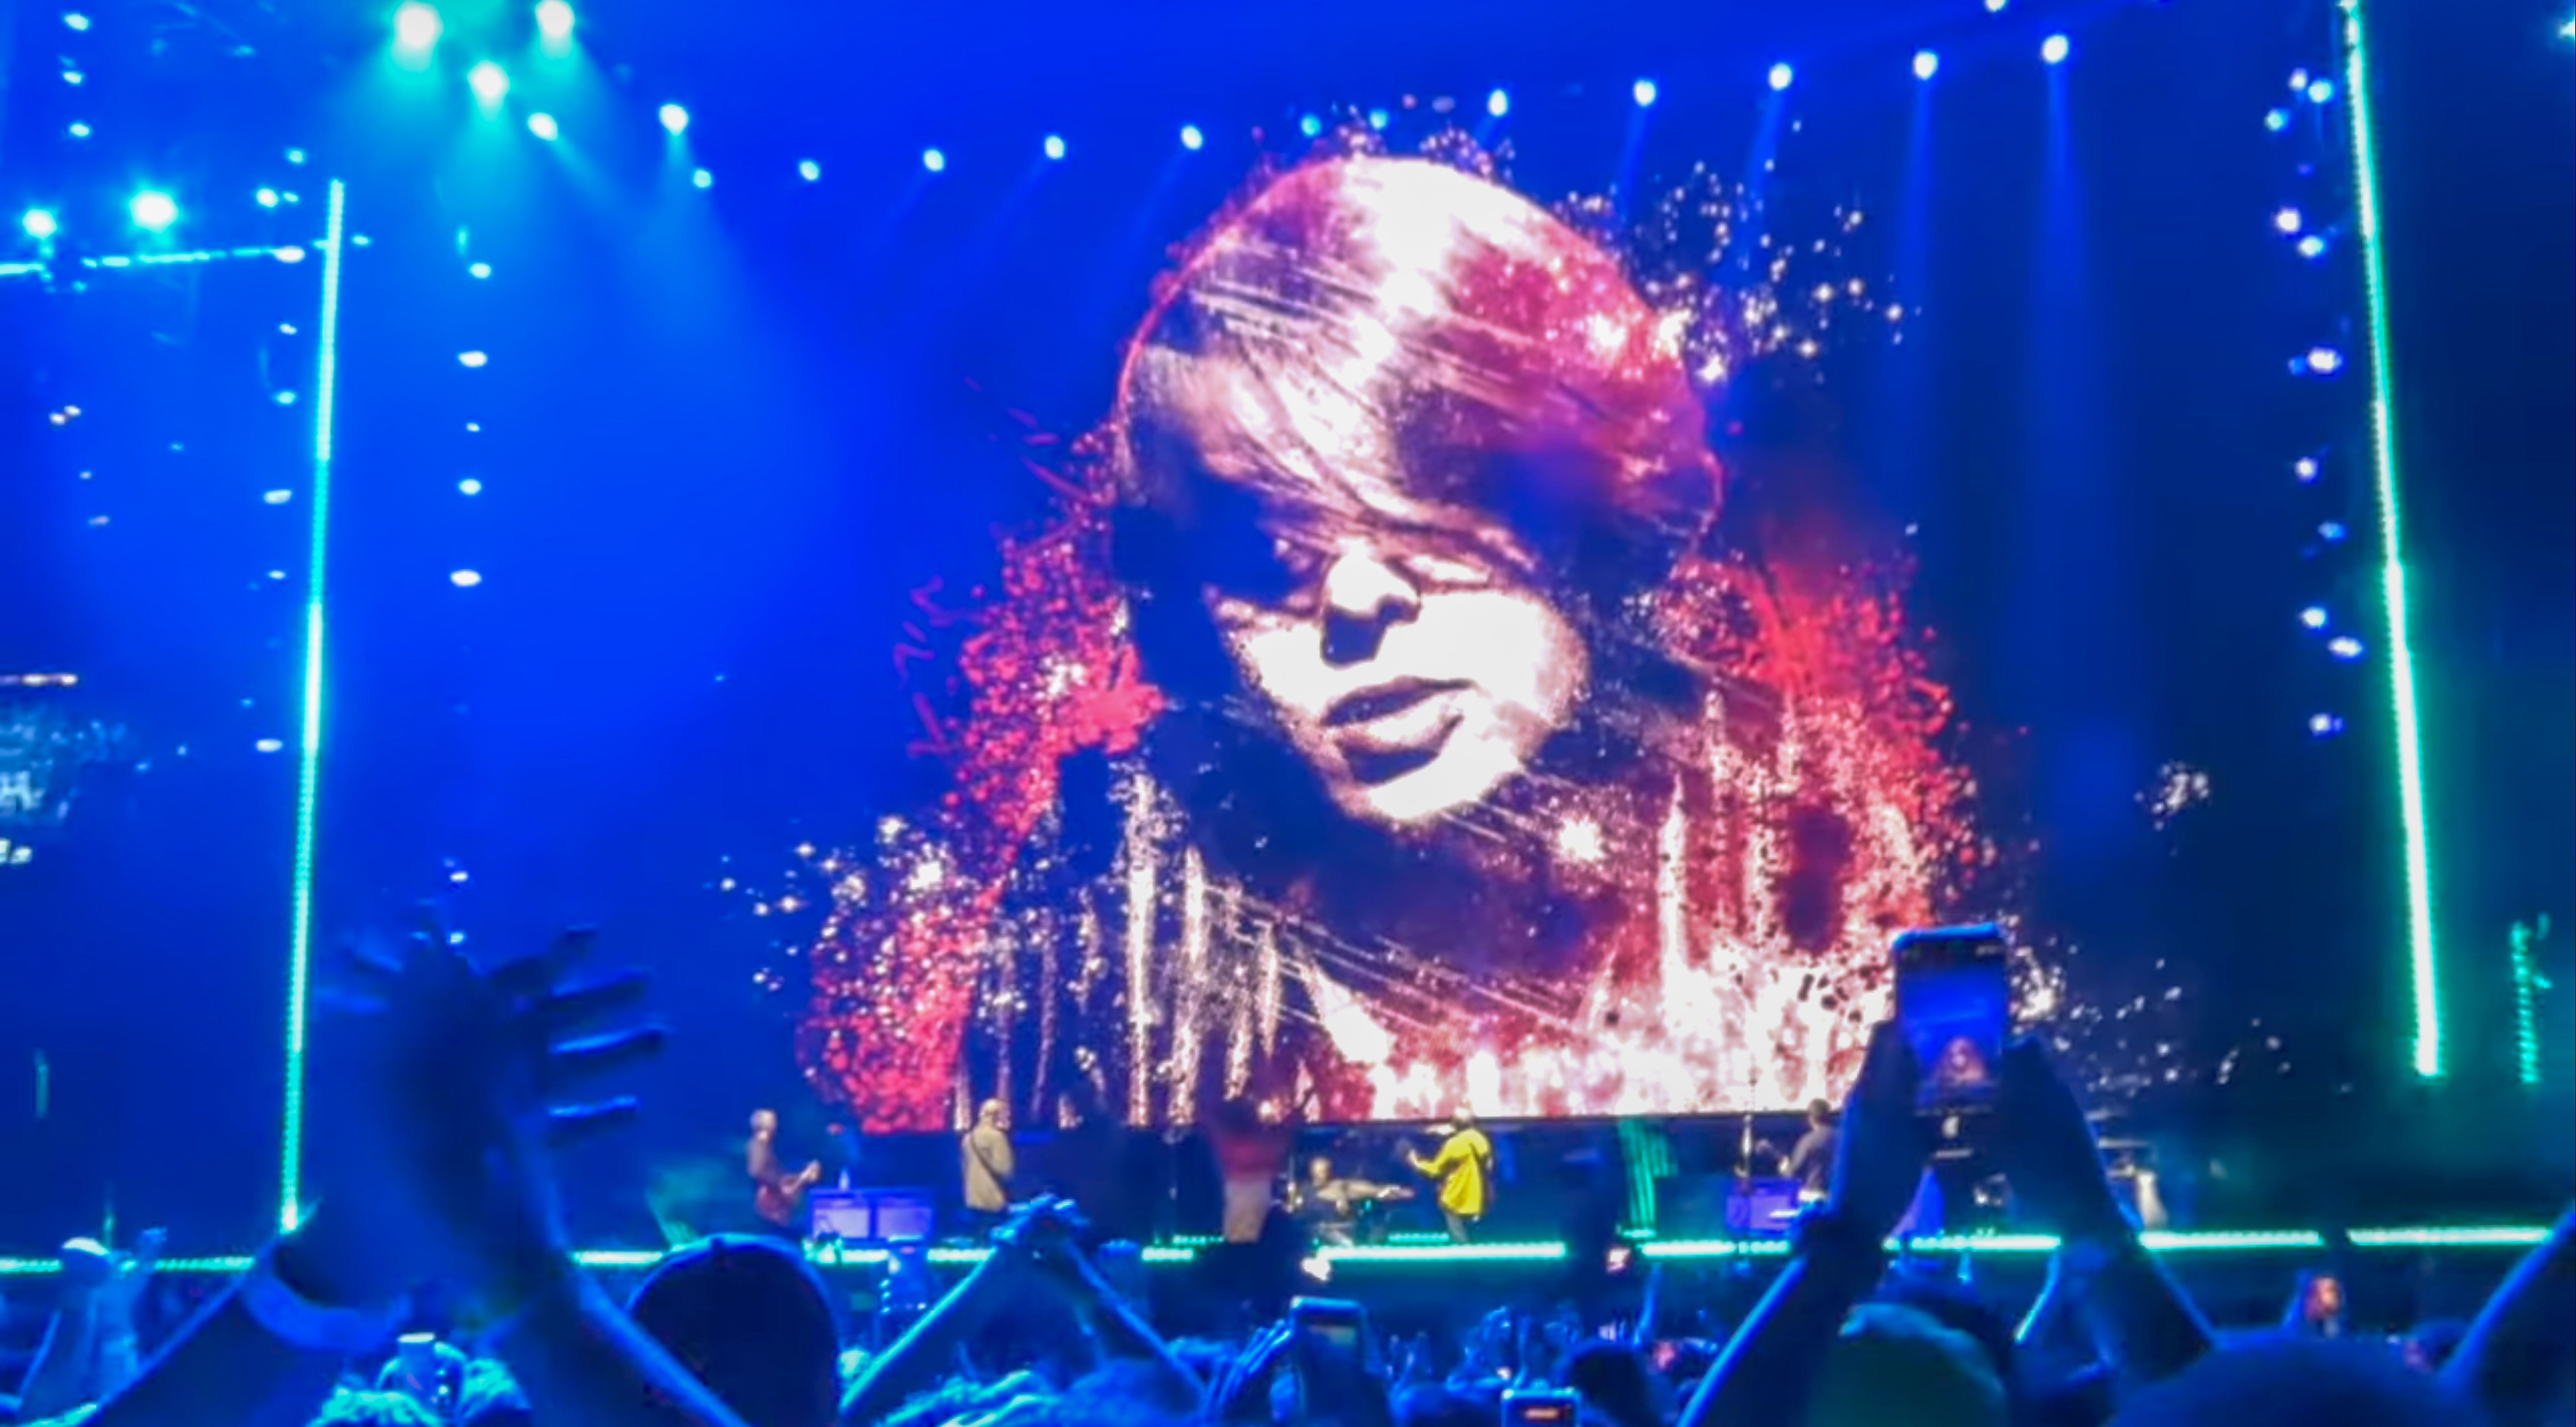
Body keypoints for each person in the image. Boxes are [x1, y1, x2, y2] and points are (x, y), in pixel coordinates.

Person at [806, 153, 1968, 1131]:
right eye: (1266, 551)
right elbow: (995, 1188)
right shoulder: (1110, 889)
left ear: (1596, 514)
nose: (1357, 601)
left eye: (1431, 500)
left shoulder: (1794, 839)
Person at [1405, 1109, 1495, 1243]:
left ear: (1454, 1124)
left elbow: (1435, 1171)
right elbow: (1489, 1166)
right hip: (1479, 1197)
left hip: (1457, 1198)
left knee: (1460, 1238)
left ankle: (1463, 1260)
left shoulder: (1454, 1145)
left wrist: (1416, 1164)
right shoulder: (1482, 1140)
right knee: (1475, 1236)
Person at [1286, 1154, 1415, 1247]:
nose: (1322, 1175)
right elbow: (1294, 1213)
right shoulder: (1303, 1190)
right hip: (1316, 1235)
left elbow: (1373, 1191)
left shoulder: (1340, 1186)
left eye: (1325, 1171)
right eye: (1318, 1172)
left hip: (1344, 1232)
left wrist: (1396, 1193)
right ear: (1312, 1172)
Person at [747, 1110, 823, 1241]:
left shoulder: (767, 1146)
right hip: (771, 1206)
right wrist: (801, 1180)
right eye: (771, 1121)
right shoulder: (760, 1144)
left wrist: (797, 1179)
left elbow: (775, 1177)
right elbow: (758, 1173)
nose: (776, 1125)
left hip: (777, 1203)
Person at [961, 1099, 1016, 1232]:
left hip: (973, 1199)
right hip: (993, 1199)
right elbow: (1005, 1170)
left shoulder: (968, 1139)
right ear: (997, 1116)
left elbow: (965, 1169)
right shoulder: (997, 1138)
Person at [1783, 1099, 1841, 1201]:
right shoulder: (1843, 1139)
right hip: (1839, 1195)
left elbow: (1794, 1173)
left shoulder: (1808, 1142)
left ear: (1810, 1119)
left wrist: (1785, 1169)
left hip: (1814, 1197)